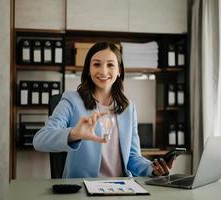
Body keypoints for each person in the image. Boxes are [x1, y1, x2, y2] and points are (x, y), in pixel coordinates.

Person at [33, 41, 174, 178]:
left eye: (110, 65)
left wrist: (153, 169)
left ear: (119, 71)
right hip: (84, 189)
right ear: (88, 70)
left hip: (121, 188)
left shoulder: (128, 107)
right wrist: (73, 134)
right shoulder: (72, 100)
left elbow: (131, 157)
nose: (103, 71)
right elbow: (39, 140)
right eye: (96, 64)